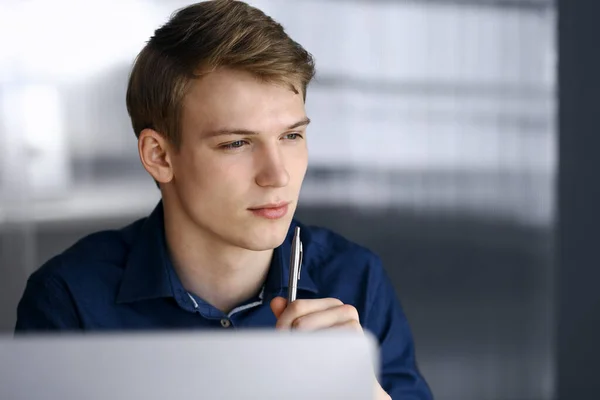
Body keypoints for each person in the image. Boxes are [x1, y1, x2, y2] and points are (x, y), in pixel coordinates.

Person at [14, 1, 433, 398]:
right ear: (159, 156)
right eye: (237, 143)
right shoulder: (69, 300)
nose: (278, 175)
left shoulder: (355, 279)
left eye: (291, 136)